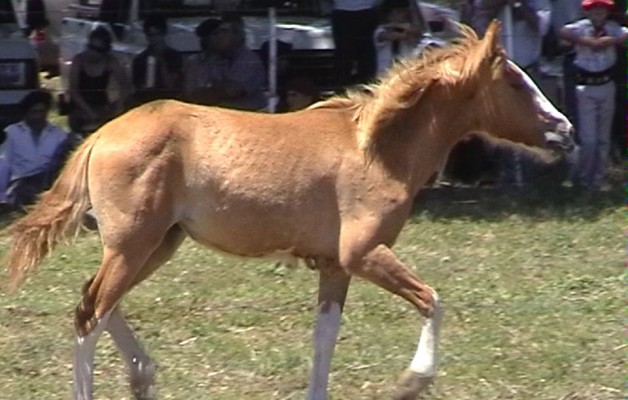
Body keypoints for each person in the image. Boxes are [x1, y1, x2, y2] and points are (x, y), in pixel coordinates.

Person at [559, 0, 627, 191]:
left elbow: (625, 34)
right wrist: (586, 42)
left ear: (607, 11)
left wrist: (610, 41)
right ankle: (582, 176)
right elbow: (563, 32)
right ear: (588, 11)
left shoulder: (612, 29)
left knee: (603, 138)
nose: (598, 12)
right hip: (586, 86)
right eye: (594, 8)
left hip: (606, 84)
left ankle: (598, 178)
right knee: (589, 139)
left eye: (602, 9)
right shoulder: (581, 28)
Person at [0, 90, 70, 211]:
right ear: (26, 113)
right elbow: (5, 163)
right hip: (21, 182)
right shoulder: (12, 132)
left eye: (42, 111)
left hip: (49, 183)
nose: (38, 116)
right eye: (34, 112)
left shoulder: (58, 134)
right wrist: (2, 195)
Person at [184, 15, 266, 111]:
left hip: (246, 117)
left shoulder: (249, 59)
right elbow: (191, 95)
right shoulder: (212, 59)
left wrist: (210, 90)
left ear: (237, 35)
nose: (219, 37)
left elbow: (231, 91)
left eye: (224, 32)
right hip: (214, 116)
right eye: (217, 33)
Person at [68, 26, 131, 136]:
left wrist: (118, 107)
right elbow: (74, 90)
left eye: (98, 50)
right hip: (80, 107)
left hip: (101, 106)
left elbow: (125, 85)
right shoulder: (79, 60)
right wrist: (89, 111)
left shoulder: (110, 62)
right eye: (91, 47)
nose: (93, 53)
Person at [131, 15, 184, 106]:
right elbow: (137, 86)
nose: (154, 39)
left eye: (158, 34)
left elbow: (172, 85)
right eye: (150, 35)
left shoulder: (174, 57)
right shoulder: (140, 60)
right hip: (147, 101)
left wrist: (161, 62)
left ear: (163, 34)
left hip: (169, 101)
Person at [331, 0, 379, 86]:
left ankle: (366, 88)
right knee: (344, 56)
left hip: (367, 10)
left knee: (366, 56)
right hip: (342, 11)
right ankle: (342, 89)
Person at [374, 0, 422, 76]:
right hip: (385, 72)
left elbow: (416, 34)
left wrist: (403, 27)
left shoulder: (410, 29)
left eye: (401, 12)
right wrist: (393, 25)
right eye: (394, 12)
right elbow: (388, 36)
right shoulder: (380, 30)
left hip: (406, 72)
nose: (399, 15)